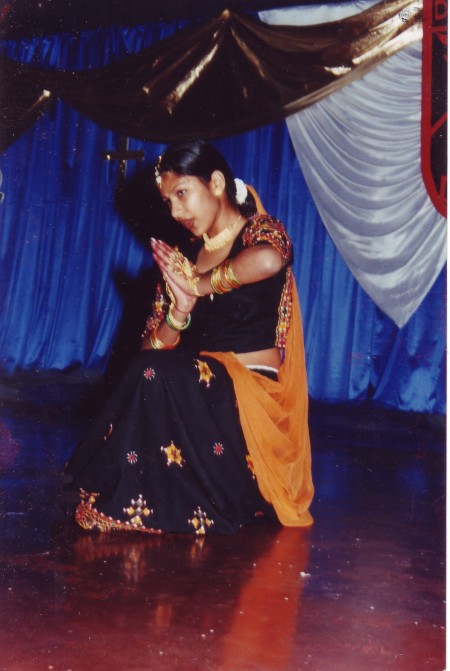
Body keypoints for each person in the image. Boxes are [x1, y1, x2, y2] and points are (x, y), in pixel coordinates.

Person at [62, 139, 314, 535]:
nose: (176, 211)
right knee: (148, 369)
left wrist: (199, 284)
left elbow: (269, 260)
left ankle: (133, 497)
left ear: (216, 183)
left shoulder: (259, 232)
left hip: (248, 402)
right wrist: (179, 310)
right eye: (168, 202)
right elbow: (148, 350)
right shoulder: (184, 257)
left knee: (157, 374)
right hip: (198, 397)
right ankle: (124, 490)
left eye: (182, 193)